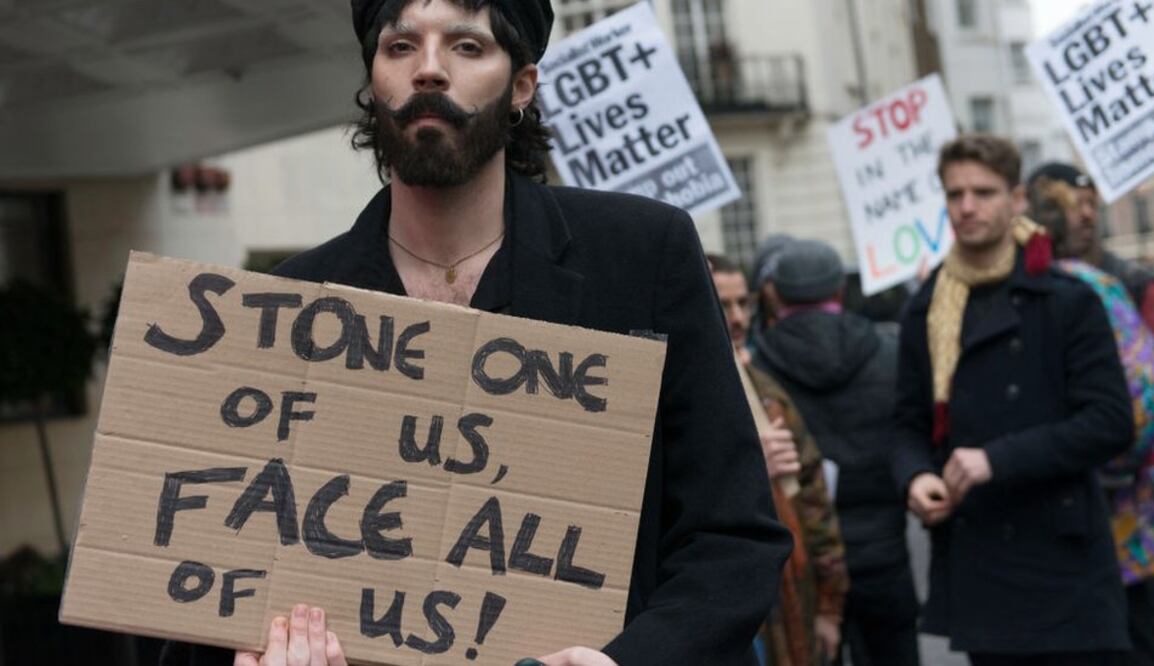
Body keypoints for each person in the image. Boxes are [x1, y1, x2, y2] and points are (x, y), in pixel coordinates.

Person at [159, 1, 792, 664]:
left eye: (466, 46)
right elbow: (206, 588)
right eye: (401, 47)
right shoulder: (287, 308)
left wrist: (625, 660)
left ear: (522, 84)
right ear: (374, 80)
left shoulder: (642, 253)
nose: (428, 70)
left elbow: (732, 538)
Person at [892, 134, 1133, 665]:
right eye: (955, 194)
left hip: (1064, 564)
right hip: (981, 560)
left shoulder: (1068, 299)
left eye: (984, 191)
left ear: (1017, 199)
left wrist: (995, 460)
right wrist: (916, 476)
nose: (968, 206)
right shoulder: (927, 308)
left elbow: (1111, 422)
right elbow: (907, 423)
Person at [1028, 178, 1154, 666]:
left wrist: (1104, 460)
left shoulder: (1116, 286)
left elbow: (1153, 393)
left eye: (1091, 205)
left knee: (1149, 633)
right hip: (1086, 527)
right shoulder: (1045, 291)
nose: (1088, 215)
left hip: (1130, 513)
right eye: (1079, 207)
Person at [749, 240, 920, 666]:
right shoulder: (888, 351)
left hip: (808, 554)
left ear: (774, 294)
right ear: (840, 292)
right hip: (883, 548)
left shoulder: (758, 367)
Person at [709, 253, 849, 666]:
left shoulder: (766, 393)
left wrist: (828, 608)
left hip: (789, 605)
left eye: (743, 303)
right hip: (722, 610)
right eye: (722, 304)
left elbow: (814, 500)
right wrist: (750, 471)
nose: (737, 318)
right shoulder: (670, 397)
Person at [1025, 162, 1154, 365]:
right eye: (1076, 203)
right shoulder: (1022, 284)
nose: (1087, 214)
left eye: (1092, 204)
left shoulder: (1135, 282)